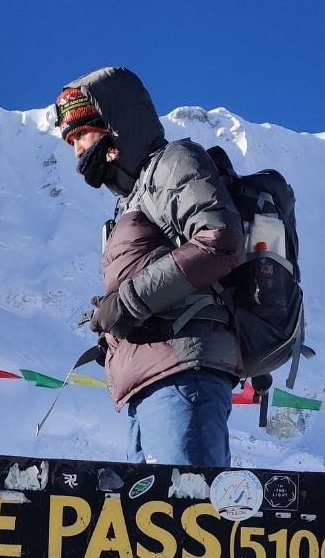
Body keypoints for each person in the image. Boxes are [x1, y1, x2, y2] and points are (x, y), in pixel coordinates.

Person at [52, 67, 244, 467]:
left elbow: (220, 240)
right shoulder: (133, 196)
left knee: (188, 513)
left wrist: (129, 301)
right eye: (70, 141)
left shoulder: (174, 163)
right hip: (151, 382)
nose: (76, 151)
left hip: (184, 374)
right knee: (150, 524)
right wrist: (116, 328)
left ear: (113, 127)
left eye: (81, 135)